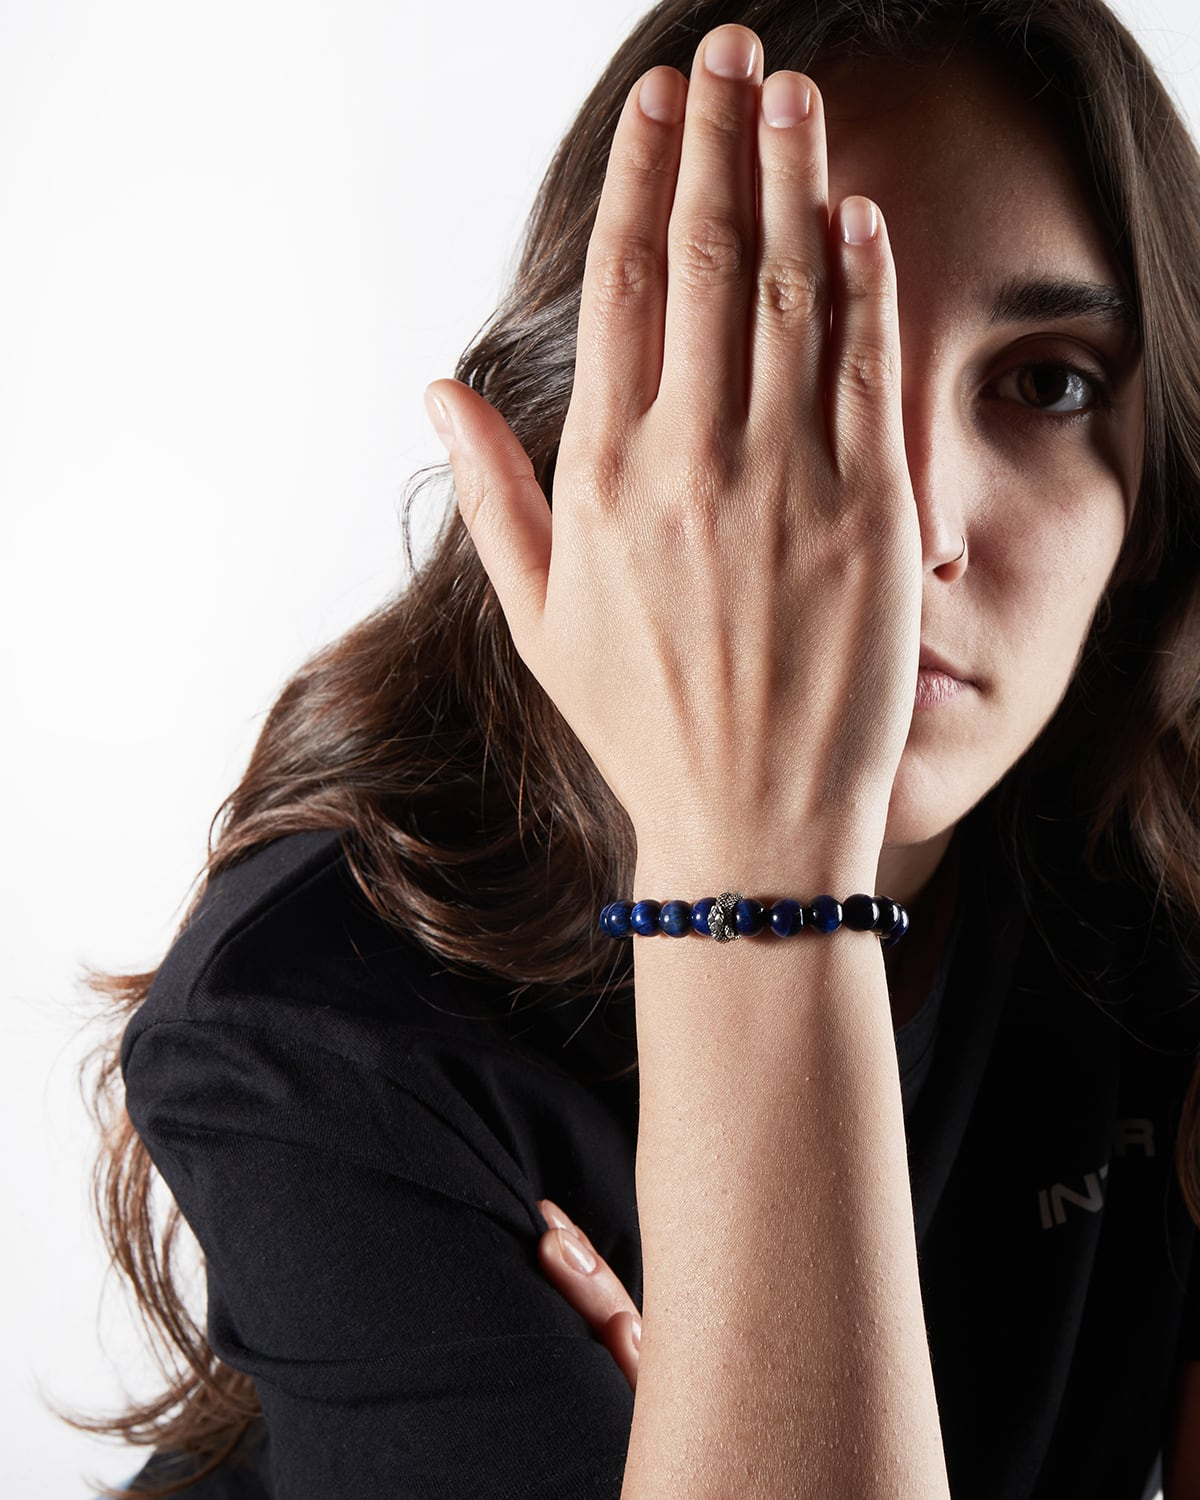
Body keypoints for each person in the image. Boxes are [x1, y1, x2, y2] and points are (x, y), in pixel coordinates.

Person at [70, 0, 1200, 1495]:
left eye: (1046, 382)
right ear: (590, 435)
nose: (907, 526)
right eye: (788, 362)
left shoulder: (1157, 889)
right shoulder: (326, 1021)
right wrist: (756, 866)